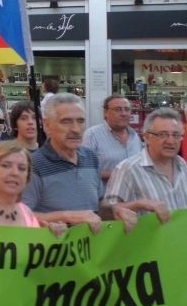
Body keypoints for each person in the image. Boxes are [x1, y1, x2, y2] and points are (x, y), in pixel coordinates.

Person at [21, 93, 135, 231]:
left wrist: (115, 210)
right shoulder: (32, 165)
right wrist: (66, 216)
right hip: (53, 249)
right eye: (66, 121)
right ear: (47, 125)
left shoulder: (91, 158)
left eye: (80, 121)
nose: (75, 129)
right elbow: (20, 216)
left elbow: (98, 203)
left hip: (91, 248)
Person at [104, 107, 187, 221]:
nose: (171, 141)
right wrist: (139, 205)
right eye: (162, 134)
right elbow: (107, 212)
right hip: (148, 246)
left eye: (176, 135)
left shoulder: (181, 164)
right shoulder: (128, 169)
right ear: (147, 137)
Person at [82, 95, 143, 192]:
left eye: (127, 109)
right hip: (106, 201)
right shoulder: (92, 135)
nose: (123, 113)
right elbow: (84, 171)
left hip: (134, 198)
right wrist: (119, 174)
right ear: (105, 112)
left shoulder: (134, 136)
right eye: (118, 109)